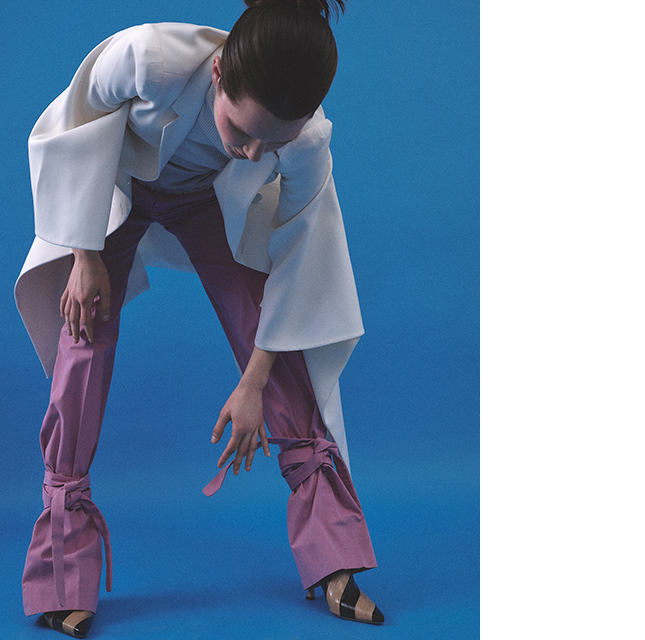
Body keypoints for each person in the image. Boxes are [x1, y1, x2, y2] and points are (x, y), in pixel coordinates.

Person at [15, 0, 384, 636]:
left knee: (275, 353)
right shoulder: (151, 59)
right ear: (217, 74)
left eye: (273, 142)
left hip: (203, 206)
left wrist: (253, 382)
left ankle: (334, 561)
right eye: (240, 129)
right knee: (82, 345)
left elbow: (299, 264)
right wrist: (84, 253)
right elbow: (71, 123)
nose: (251, 151)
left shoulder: (307, 141)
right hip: (118, 195)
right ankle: (61, 571)